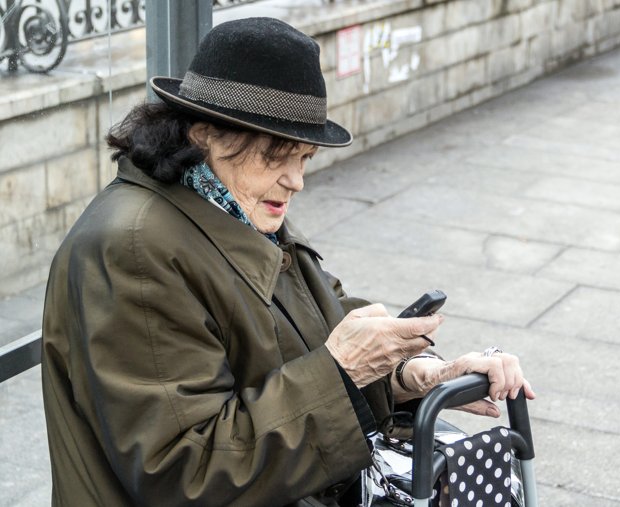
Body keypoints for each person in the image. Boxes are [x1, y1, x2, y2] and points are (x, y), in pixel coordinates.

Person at [41, 17, 534, 507]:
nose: (295, 179)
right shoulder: (132, 250)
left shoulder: (230, 203)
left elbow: (315, 328)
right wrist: (341, 371)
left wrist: (414, 373)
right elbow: (181, 470)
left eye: (304, 157)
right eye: (277, 155)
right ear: (204, 134)